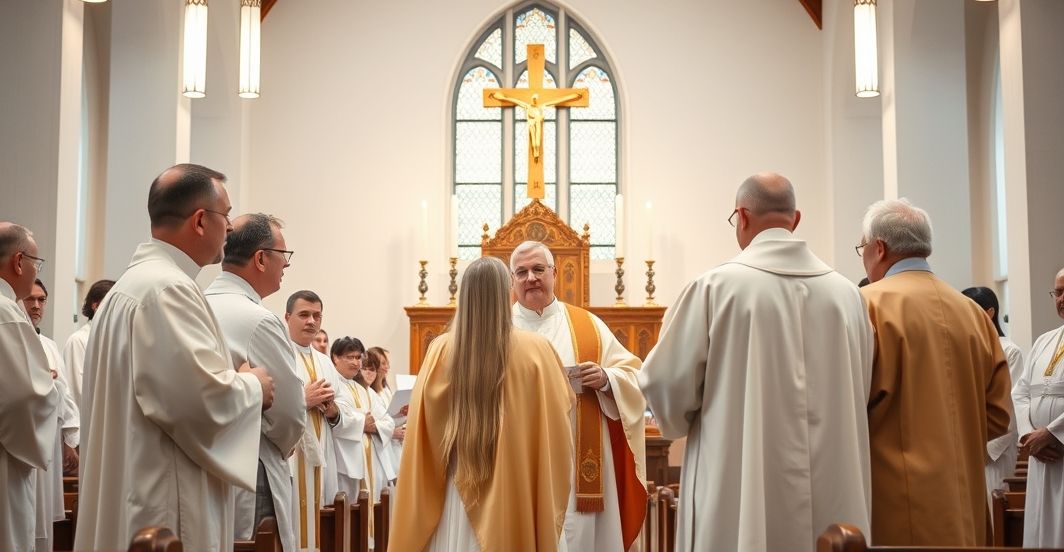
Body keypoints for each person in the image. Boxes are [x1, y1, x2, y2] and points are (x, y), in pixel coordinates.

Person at [639, 173, 875, 552]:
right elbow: (860, 386)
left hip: (737, 488)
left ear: (742, 217)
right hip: (835, 486)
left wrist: (676, 419)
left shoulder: (714, 288)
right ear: (795, 219)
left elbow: (665, 384)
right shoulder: (848, 296)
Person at [74, 164, 276, 551]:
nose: (230, 227)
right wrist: (255, 386)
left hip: (133, 486)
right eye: (226, 215)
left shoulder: (134, 285)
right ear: (201, 221)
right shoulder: (168, 289)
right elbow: (197, 401)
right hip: (162, 501)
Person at [390, 256, 574, 551]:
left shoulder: (440, 350)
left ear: (464, 295)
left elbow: (422, 433)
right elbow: (557, 426)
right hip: (514, 491)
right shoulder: (537, 351)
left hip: (455, 493)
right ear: (508, 292)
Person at [858, 198, 1011, 546]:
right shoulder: (972, 313)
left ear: (879, 248)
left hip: (896, 500)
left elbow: (845, 406)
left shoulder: (868, 305)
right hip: (964, 501)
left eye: (861, 248)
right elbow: (999, 416)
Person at [510, 240, 647, 551]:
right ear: (512, 280)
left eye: (538, 269)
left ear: (554, 274)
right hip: (518, 455)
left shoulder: (588, 326)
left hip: (579, 462)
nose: (531, 277)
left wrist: (606, 378)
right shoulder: (500, 328)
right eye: (522, 272)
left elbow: (634, 375)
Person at [204, 213, 307, 551]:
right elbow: (290, 410)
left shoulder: (197, 304)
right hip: (254, 467)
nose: (286, 266)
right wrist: (287, 441)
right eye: (284, 256)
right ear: (261, 258)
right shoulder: (258, 320)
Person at [0, 222, 59, 552]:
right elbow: (25, 396)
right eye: (38, 262)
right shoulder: (7, 313)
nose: (37, 269)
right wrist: (50, 387)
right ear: (19, 261)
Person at [285, 290, 354, 551]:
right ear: (287, 317)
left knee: (321, 529)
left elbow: (347, 408)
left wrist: (334, 411)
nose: (311, 321)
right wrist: (303, 399)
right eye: (304, 315)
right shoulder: (278, 354)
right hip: (292, 457)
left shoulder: (326, 364)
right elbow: (266, 403)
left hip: (322, 456)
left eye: (317, 315)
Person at [23, 279, 80, 551]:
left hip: (49, 442)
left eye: (41, 300)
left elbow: (65, 392)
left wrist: (70, 438)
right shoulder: (12, 337)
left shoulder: (48, 344)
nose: (36, 306)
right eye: (30, 299)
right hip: (22, 440)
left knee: (42, 516)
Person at [1014, 268, 1064, 547]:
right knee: (1040, 529)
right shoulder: (1043, 341)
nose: (1061, 298)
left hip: (1060, 451)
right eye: (1058, 292)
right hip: (1040, 457)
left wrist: (1054, 433)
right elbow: (1020, 392)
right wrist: (1027, 434)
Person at [962, 286, 1024, 501]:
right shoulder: (965, 348)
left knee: (992, 510)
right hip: (965, 450)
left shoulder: (1009, 351)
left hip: (994, 453)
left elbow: (1011, 405)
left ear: (989, 313)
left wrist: (985, 450)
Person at [61, 278, 114, 408]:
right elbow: (77, 393)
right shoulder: (78, 341)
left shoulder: (114, 340)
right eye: (112, 303)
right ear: (95, 306)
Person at [489, 91, 581, 162]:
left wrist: (573, 96)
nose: (534, 100)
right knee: (534, 144)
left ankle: (536, 154)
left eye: (536, 99)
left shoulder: (542, 106)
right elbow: (513, 100)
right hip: (532, 125)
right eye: (533, 99)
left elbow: (558, 101)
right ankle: (536, 154)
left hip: (537, 124)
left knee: (537, 143)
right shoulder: (527, 106)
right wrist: (500, 97)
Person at [369, 346, 405, 473]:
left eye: (387, 363)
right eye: (383, 363)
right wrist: (391, 432)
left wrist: (402, 413)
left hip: (394, 445)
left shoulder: (385, 390)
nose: (386, 367)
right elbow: (371, 423)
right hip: (381, 448)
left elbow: (389, 416)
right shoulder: (370, 393)